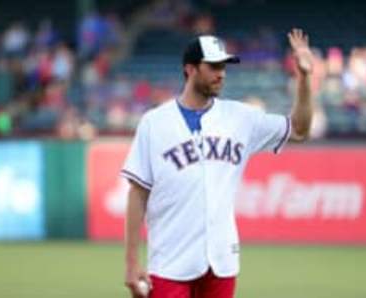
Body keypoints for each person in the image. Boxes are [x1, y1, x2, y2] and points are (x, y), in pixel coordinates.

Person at [122, 29, 313, 298]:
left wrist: (304, 77)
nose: (221, 72)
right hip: (169, 262)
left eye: (223, 66)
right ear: (190, 69)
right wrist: (131, 263)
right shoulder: (154, 123)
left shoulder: (241, 118)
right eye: (212, 66)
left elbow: (300, 130)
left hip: (222, 261)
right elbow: (137, 193)